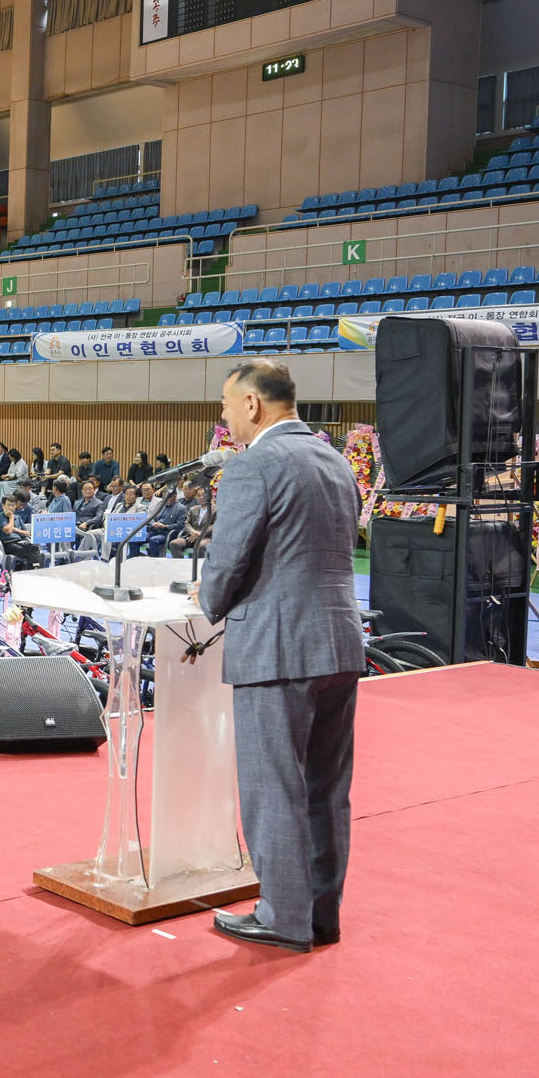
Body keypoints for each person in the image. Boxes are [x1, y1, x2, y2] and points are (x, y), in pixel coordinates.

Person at [195, 359, 365, 954]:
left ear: (252, 404)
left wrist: (207, 599)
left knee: (273, 787)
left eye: (225, 405)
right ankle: (320, 915)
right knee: (326, 788)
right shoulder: (335, 460)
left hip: (276, 645)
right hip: (338, 641)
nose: (224, 418)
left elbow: (227, 559)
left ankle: (282, 917)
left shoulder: (253, 465)